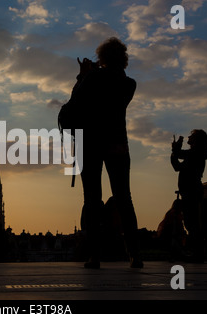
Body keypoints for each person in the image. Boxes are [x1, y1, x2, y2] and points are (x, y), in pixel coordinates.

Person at [69, 37, 142, 268]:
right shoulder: (130, 83)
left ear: (102, 57)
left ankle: (94, 255)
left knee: (92, 199)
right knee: (124, 198)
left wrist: (84, 73)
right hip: (118, 143)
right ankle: (134, 254)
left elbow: (75, 101)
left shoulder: (92, 77)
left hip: (90, 143)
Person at [171, 129, 207, 262]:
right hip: (191, 190)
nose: (189, 137)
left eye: (191, 136)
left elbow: (177, 163)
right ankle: (197, 252)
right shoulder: (197, 154)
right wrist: (175, 152)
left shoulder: (194, 154)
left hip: (190, 190)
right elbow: (177, 164)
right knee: (192, 222)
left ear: (196, 141)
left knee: (191, 222)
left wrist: (175, 149)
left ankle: (197, 253)